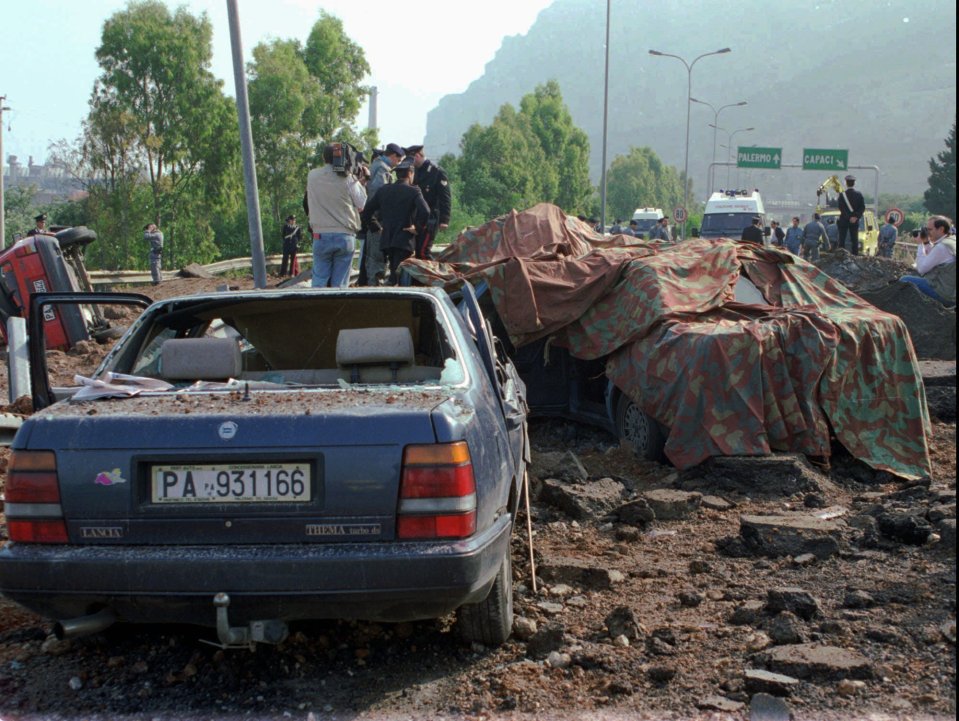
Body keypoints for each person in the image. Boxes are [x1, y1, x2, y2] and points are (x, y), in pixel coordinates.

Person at [304, 143, 366, 288]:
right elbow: (361, 203)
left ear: (323, 157)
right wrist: (361, 181)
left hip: (320, 234)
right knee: (340, 284)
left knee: (319, 280)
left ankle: (318, 308)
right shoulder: (349, 178)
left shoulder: (312, 175)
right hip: (345, 236)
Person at [361, 157, 430, 286]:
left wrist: (376, 227)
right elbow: (425, 211)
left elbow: (367, 212)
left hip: (387, 240)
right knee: (402, 276)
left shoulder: (384, 190)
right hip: (405, 239)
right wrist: (418, 228)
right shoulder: (413, 191)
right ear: (410, 173)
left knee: (393, 271)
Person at [358, 142, 405, 285]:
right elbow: (377, 196)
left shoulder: (377, 166)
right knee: (377, 261)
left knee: (375, 260)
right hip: (377, 222)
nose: (397, 164)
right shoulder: (382, 169)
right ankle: (374, 292)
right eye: (398, 160)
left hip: (374, 221)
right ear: (392, 156)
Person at [899, 215, 956, 306]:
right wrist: (925, 242)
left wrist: (920, 244)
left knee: (904, 279)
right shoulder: (951, 241)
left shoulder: (942, 247)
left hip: (945, 294)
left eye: (930, 229)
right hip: (952, 292)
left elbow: (921, 269)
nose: (927, 232)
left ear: (941, 229)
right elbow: (933, 257)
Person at [407, 144, 451, 260]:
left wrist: (444, 220)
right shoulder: (413, 171)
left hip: (430, 218)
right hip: (415, 217)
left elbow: (445, 197)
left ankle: (432, 276)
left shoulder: (436, 172)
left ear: (417, 156)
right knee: (412, 251)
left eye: (411, 158)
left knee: (423, 252)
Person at [837, 174, 866, 255]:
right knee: (855, 240)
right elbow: (862, 207)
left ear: (846, 183)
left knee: (842, 239)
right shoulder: (859, 194)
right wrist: (855, 217)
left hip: (844, 220)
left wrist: (848, 217)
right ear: (854, 183)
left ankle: (841, 256)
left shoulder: (842, 195)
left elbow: (841, 208)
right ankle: (855, 256)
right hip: (855, 221)